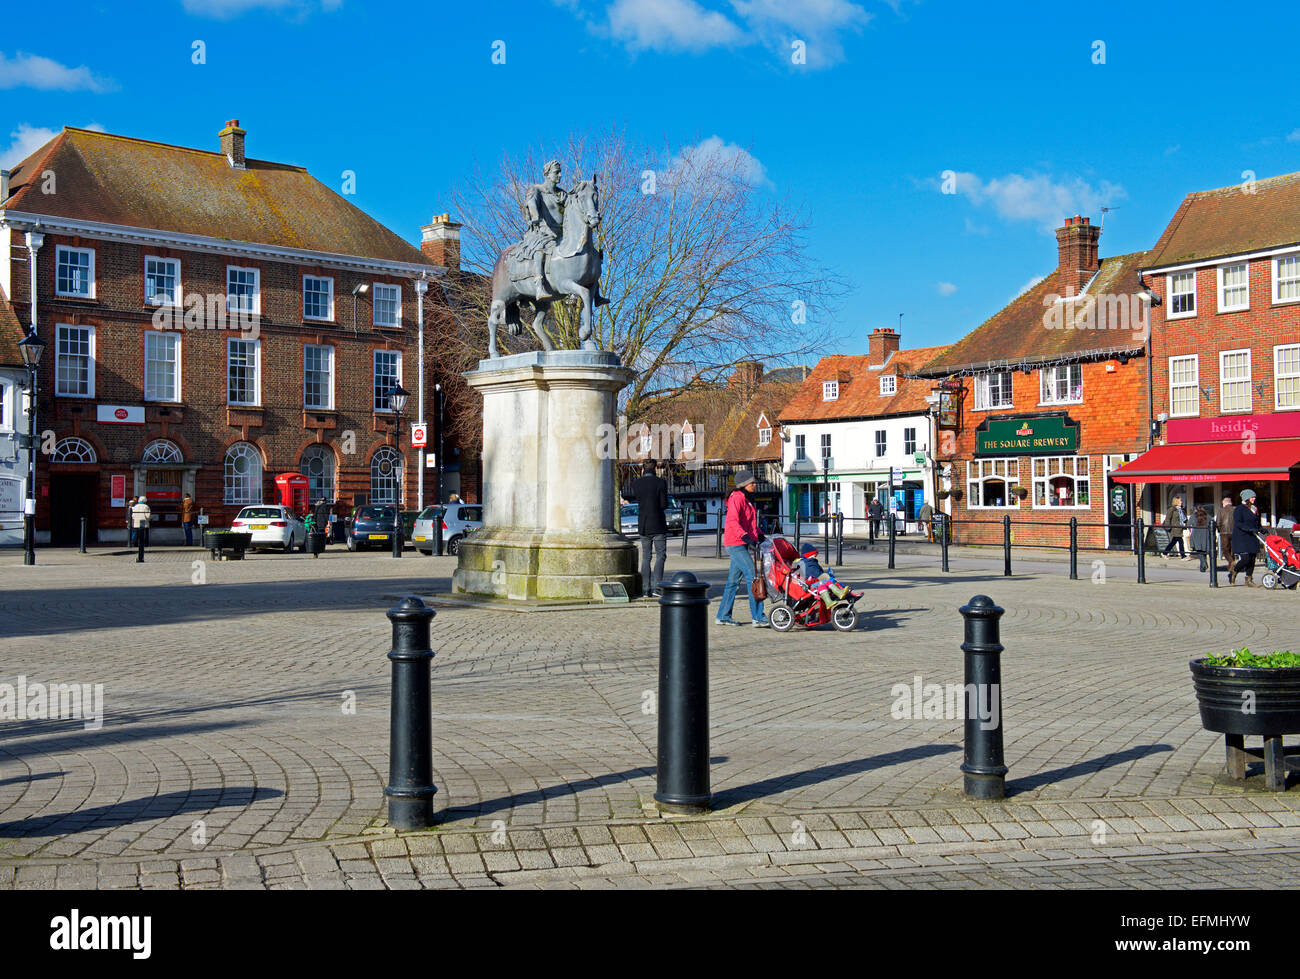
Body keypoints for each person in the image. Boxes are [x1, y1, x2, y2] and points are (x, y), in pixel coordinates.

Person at [715, 470, 768, 628]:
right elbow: (732, 522)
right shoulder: (737, 498)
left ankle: (723, 616)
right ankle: (758, 617)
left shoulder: (745, 499)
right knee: (753, 576)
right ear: (744, 484)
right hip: (735, 543)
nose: (755, 485)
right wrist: (745, 537)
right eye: (752, 483)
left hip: (740, 542)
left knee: (733, 582)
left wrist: (760, 536)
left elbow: (749, 523)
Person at [622, 462, 669, 598]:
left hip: (643, 524)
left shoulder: (637, 484)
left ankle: (645, 589)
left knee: (646, 557)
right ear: (655, 469)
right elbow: (663, 504)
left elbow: (638, 499)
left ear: (643, 469)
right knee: (660, 555)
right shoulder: (661, 483)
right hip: (658, 524)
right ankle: (657, 587)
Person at [794, 544, 851, 608]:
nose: (816, 558)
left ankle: (830, 600)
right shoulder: (808, 564)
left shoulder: (810, 563)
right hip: (809, 585)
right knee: (827, 581)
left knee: (823, 584)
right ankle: (839, 592)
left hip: (813, 583)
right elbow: (817, 574)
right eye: (814, 556)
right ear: (808, 556)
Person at [1231, 489, 1262, 586]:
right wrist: (1248, 529)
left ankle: (1248, 579)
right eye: (1252, 497)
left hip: (1252, 536)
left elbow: (1257, 522)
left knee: (1252, 558)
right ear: (1246, 498)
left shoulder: (1254, 509)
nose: (1254, 498)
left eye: (1254, 497)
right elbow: (1238, 523)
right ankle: (1234, 571)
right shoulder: (1239, 509)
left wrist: (1261, 529)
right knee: (1246, 558)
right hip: (1242, 536)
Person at [1160, 494, 1188, 559]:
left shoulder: (1181, 509)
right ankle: (1183, 556)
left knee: (1173, 542)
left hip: (1180, 528)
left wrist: (1187, 525)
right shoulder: (1172, 509)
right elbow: (1168, 518)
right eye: (1180, 501)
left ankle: (1164, 553)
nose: (1181, 502)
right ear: (1176, 502)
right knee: (1180, 541)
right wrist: (1169, 527)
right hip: (1174, 528)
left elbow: (1184, 518)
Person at [1216, 494, 1236, 579]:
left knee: (1225, 549)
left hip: (1224, 532)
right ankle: (1232, 565)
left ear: (1224, 503)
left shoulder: (1221, 510)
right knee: (1232, 549)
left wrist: (1219, 530)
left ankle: (1231, 562)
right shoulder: (1235, 510)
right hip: (1234, 532)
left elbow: (1218, 522)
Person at [1190, 506, 1212, 573]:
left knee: (1199, 550)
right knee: (1203, 550)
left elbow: (1188, 524)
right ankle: (1203, 566)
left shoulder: (1194, 516)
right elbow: (1213, 524)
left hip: (1196, 534)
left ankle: (1203, 564)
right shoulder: (1208, 516)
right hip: (1205, 534)